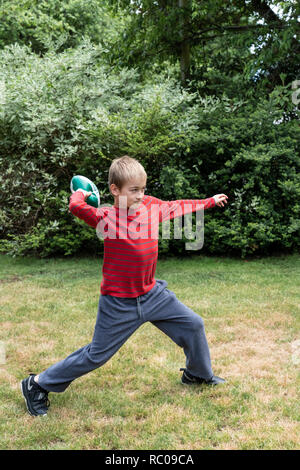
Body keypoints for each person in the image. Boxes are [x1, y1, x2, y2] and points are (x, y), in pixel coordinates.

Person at [21, 156, 228, 416]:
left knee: (193, 324)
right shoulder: (106, 217)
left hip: (153, 295)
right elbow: (76, 207)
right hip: (119, 302)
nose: (141, 195)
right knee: (96, 355)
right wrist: (82, 193)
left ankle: (197, 374)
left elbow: (178, 206)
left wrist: (210, 201)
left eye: (143, 188)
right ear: (115, 190)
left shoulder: (151, 206)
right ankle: (37, 384)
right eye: (134, 190)